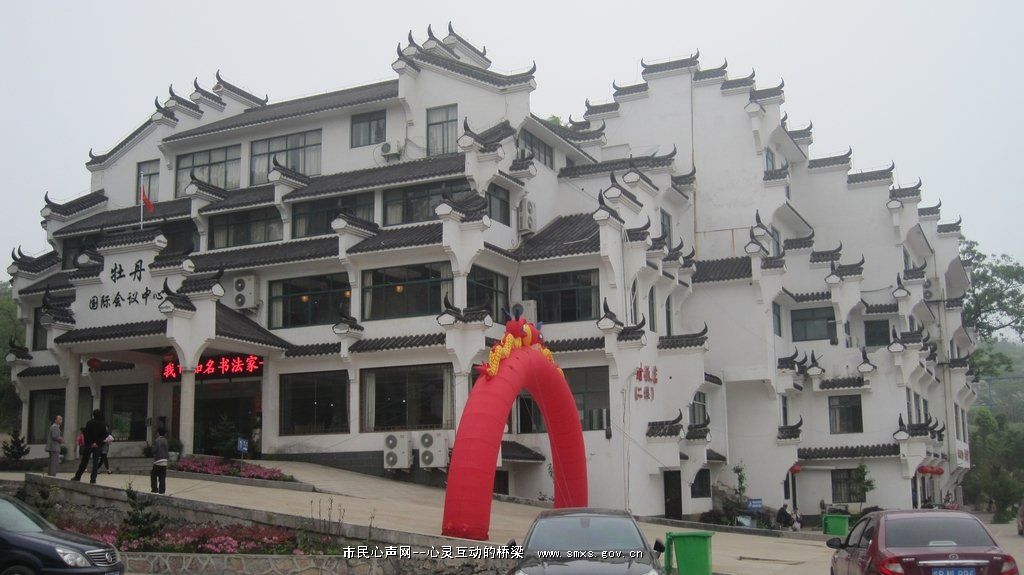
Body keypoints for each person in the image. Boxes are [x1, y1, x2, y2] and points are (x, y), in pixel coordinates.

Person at [73, 409, 108, 484]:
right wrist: (97, 443)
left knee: (84, 462)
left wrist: (91, 442)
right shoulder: (103, 424)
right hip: (98, 446)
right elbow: (104, 435)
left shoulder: (89, 423)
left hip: (89, 445)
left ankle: (78, 476)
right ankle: (93, 479)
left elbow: (86, 434)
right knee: (95, 463)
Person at [150, 428, 169, 494]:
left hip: (158, 461)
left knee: (153, 474)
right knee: (162, 477)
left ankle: (154, 489)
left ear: (158, 433)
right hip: (165, 461)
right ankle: (162, 491)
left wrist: (152, 448)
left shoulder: (157, 440)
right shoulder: (166, 440)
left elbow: (154, 450)